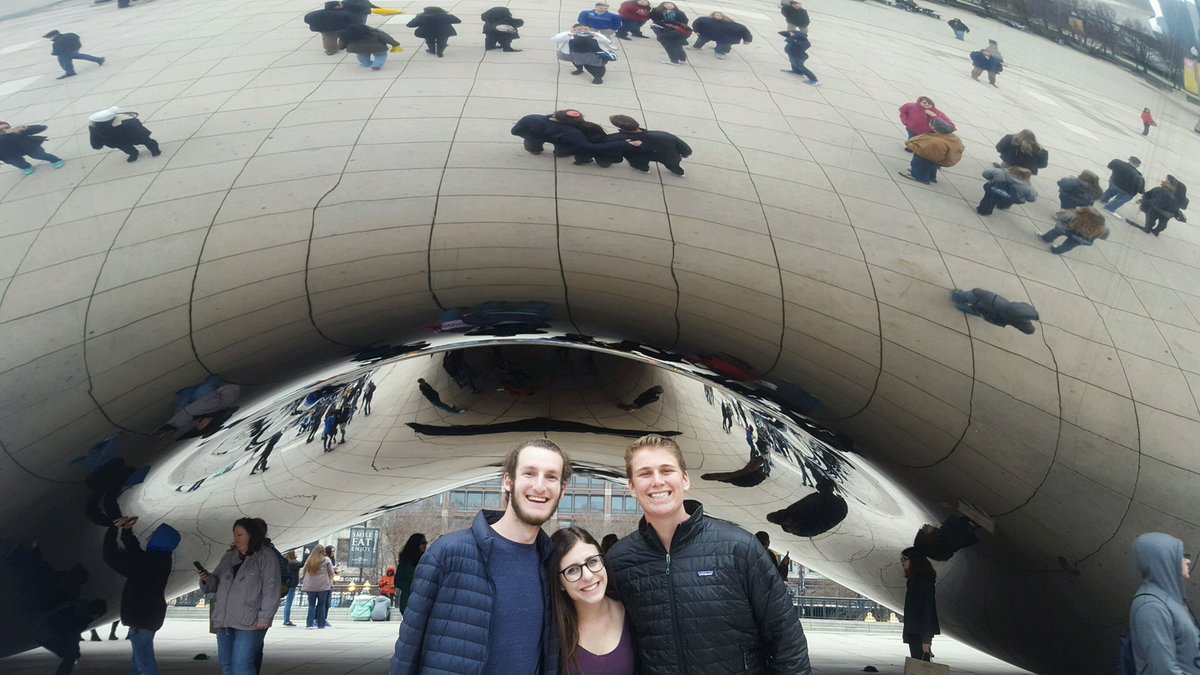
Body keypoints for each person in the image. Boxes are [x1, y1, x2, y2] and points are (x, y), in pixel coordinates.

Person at [606, 434, 811, 673]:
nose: (657, 481)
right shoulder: (618, 561)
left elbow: (787, 640)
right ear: (631, 487)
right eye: (644, 474)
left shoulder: (739, 548)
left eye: (666, 470)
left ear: (685, 480)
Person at [389, 438, 572, 674]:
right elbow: (407, 651)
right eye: (529, 473)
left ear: (562, 490)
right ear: (508, 481)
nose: (539, 486)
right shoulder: (447, 553)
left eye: (551, 477)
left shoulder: (553, 564)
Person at [197, 518, 281, 675]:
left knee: (241, 665)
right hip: (225, 621)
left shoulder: (265, 557)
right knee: (227, 666)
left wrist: (265, 617)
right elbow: (215, 585)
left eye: (240, 535)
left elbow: (271, 588)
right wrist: (207, 579)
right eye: (234, 535)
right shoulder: (229, 557)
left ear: (251, 535)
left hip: (249, 622)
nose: (236, 539)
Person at [549, 527, 634, 675]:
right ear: (560, 583)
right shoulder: (552, 630)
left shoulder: (633, 613)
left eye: (593, 561)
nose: (588, 576)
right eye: (572, 570)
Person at [103, 520, 179, 675]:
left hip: (142, 618)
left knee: (144, 664)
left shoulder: (149, 562)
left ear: (160, 540)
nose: (150, 535)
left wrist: (113, 530)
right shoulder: (159, 559)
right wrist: (127, 532)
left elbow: (112, 557)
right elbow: (136, 553)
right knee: (139, 663)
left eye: (154, 534)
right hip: (146, 618)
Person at [1129, 532, 1200, 673]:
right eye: (1181, 555)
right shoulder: (1150, 606)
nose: (1188, 561)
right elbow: (1163, 669)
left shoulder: (1171, 601)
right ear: (1163, 559)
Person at [512, 110, 640, 164]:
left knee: (532, 145)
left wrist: (531, 136)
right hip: (562, 142)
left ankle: (534, 149)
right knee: (562, 151)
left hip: (534, 136)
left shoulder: (532, 118)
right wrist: (624, 143)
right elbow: (590, 147)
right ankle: (559, 153)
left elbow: (515, 131)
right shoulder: (572, 133)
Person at [605, 115, 691, 176]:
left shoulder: (623, 138)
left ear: (622, 129)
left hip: (644, 155)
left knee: (637, 160)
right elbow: (681, 144)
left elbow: (610, 142)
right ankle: (679, 172)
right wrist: (686, 153)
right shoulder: (663, 135)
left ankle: (643, 169)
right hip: (669, 156)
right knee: (673, 165)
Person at [900, 548, 939, 662]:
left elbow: (927, 610)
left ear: (914, 561)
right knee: (917, 663)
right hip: (914, 631)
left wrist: (926, 639)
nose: (902, 563)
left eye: (904, 559)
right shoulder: (914, 581)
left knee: (921, 665)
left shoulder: (923, 583)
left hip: (920, 633)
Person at [900, 117, 962, 185]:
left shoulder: (937, 142)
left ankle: (919, 177)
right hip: (941, 159)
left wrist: (911, 145)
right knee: (932, 166)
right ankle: (931, 177)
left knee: (920, 163)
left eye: (930, 122)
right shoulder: (952, 137)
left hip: (931, 158)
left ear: (933, 127)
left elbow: (926, 153)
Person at [950, 288, 1039, 334]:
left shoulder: (1009, 308)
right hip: (984, 312)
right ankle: (959, 306)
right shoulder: (1012, 321)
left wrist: (976, 290)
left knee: (968, 296)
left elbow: (985, 295)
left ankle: (955, 297)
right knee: (972, 309)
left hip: (981, 301)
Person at [88, 107, 160, 163]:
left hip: (133, 135)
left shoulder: (127, 120)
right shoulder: (94, 126)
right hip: (116, 141)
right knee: (126, 148)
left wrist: (142, 134)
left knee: (146, 141)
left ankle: (154, 149)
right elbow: (94, 136)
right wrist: (96, 144)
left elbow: (138, 128)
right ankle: (134, 154)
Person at [1039, 207, 1108, 255]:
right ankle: (1056, 250)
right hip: (1081, 238)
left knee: (1055, 232)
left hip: (1066, 229)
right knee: (1068, 245)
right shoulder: (1102, 227)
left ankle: (1046, 239)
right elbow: (1104, 236)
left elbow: (1060, 216)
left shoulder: (1074, 215)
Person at [300, 546, 335, 629]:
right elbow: (331, 573)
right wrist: (330, 583)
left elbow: (303, 572)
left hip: (310, 586)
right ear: (323, 551)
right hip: (323, 586)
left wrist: (303, 580)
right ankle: (321, 624)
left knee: (311, 605)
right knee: (321, 605)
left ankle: (309, 624)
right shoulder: (326, 560)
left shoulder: (309, 560)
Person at [395, 533, 426, 613]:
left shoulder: (426, 559)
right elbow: (398, 581)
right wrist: (413, 588)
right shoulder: (406, 562)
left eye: (426, 543)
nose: (425, 545)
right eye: (423, 543)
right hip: (409, 600)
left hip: (422, 600)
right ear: (416, 544)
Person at [281, 550, 303, 627]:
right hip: (291, 584)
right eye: (295, 552)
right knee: (288, 603)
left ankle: (286, 620)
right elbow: (302, 564)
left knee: (288, 602)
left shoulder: (287, 562)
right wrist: (306, 555)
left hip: (289, 584)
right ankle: (286, 620)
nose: (297, 554)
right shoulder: (292, 563)